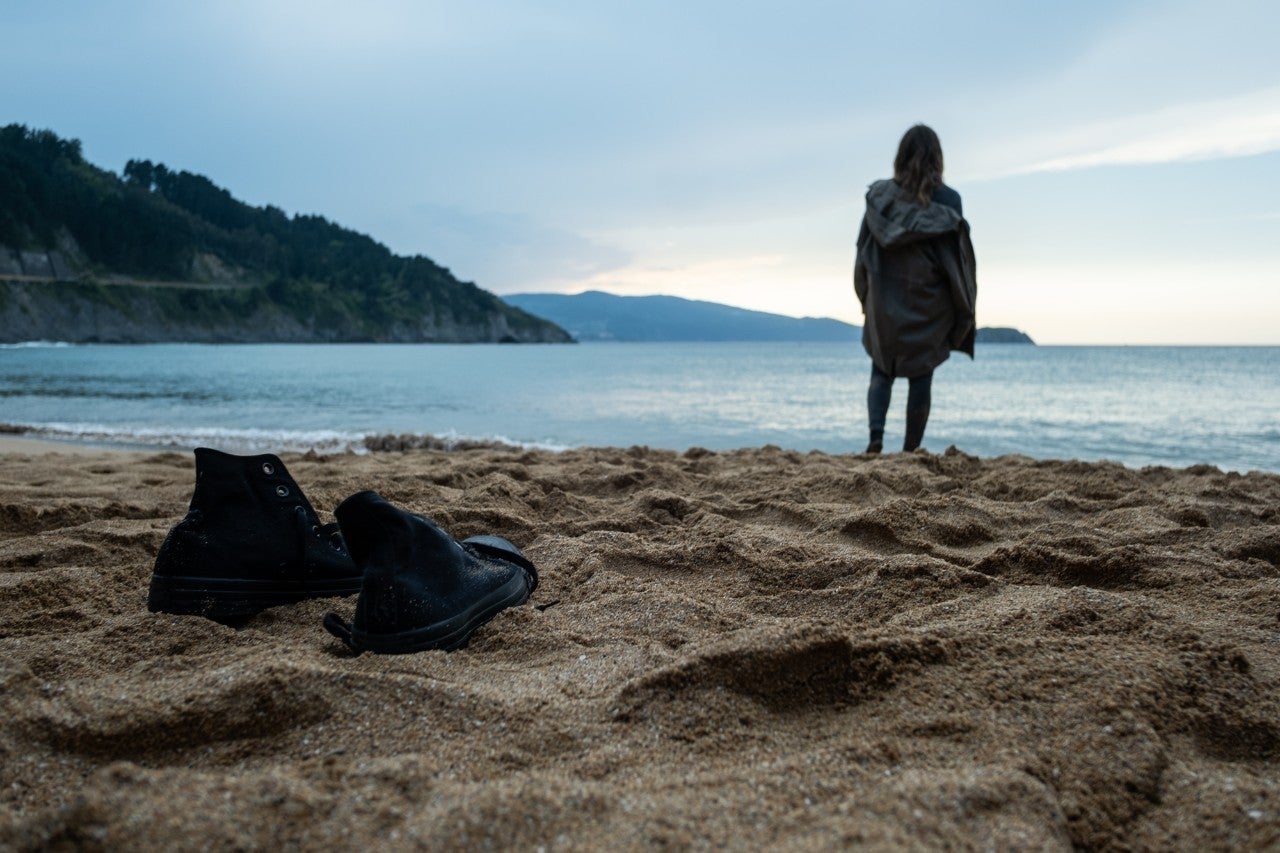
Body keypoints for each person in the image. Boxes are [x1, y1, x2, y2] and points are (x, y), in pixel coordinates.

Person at [853, 124, 977, 454]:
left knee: (881, 369)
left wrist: (865, 297)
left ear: (900, 156)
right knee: (921, 377)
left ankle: (875, 439)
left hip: (883, 301)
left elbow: (862, 251)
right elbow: (960, 263)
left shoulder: (879, 198)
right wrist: (962, 312)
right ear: (938, 159)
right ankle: (910, 451)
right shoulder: (949, 202)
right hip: (928, 304)